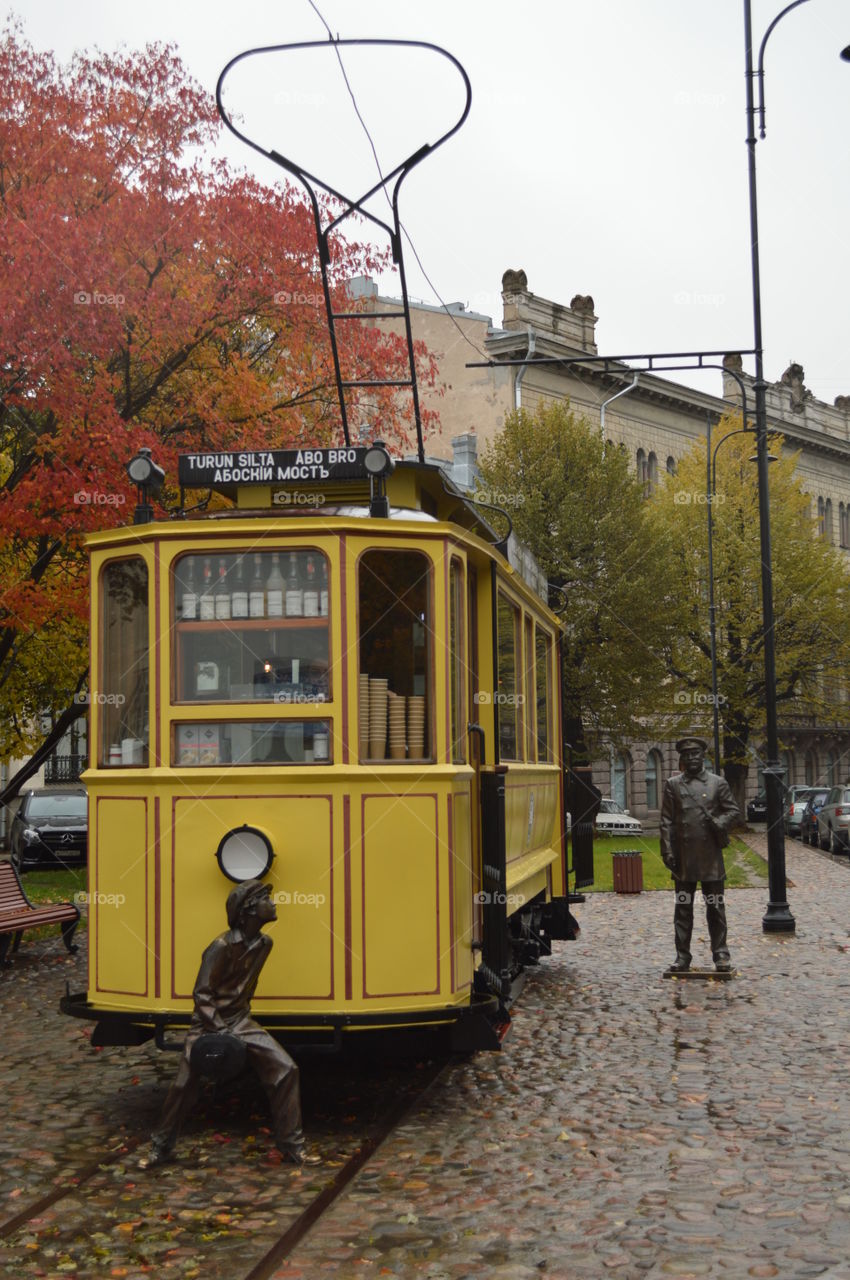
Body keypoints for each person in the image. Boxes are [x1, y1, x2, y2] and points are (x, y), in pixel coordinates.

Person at [139, 879, 320, 1168]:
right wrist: (219, 1030)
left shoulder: (264, 944)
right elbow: (202, 993)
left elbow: (247, 986)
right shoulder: (221, 946)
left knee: (286, 1069)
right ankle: (161, 1147)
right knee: (184, 1084)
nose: (273, 904)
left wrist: (239, 1024)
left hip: (240, 1020)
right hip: (208, 1023)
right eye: (266, 900)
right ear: (249, 909)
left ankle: (292, 1147)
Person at [660, 736, 740, 973]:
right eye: (687, 755)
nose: (692, 758)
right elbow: (666, 821)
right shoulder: (673, 784)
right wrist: (666, 850)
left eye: (696, 754)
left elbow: (733, 811)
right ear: (682, 758)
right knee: (683, 909)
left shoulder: (718, 783)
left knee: (715, 908)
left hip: (710, 857)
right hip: (683, 858)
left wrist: (720, 822)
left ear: (703, 756)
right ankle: (682, 956)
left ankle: (721, 954)